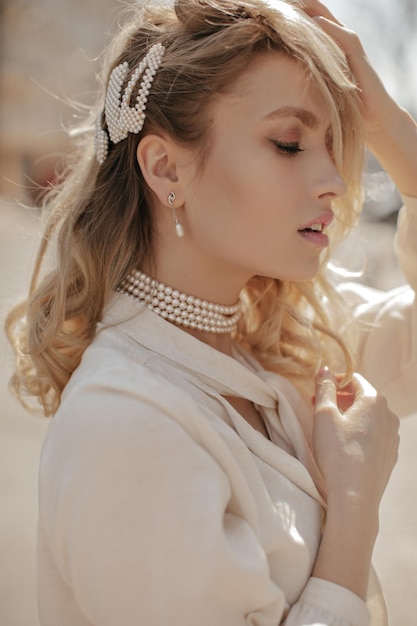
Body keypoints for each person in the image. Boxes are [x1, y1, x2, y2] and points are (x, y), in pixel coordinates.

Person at [6, 0, 417, 624]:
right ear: (166, 167)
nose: (334, 178)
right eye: (289, 142)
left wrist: (389, 126)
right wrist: (354, 505)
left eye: (335, 145)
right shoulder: (125, 422)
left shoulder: (288, 349)